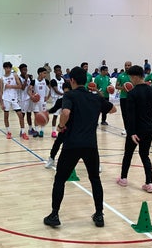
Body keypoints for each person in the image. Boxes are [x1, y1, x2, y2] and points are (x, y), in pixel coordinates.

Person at [43, 67, 116, 228]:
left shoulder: (69, 95)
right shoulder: (95, 98)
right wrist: (98, 94)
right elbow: (113, 109)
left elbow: (66, 112)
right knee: (95, 179)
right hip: (90, 145)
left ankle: (54, 215)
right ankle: (99, 215)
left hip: (72, 144)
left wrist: (60, 126)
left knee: (60, 179)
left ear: (72, 81)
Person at [116, 65, 152, 192]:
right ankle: (149, 183)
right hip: (149, 129)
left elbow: (130, 116)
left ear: (135, 77)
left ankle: (123, 179)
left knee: (128, 154)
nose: (130, 80)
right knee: (145, 155)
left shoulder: (132, 93)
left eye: (131, 77)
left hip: (136, 130)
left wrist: (131, 132)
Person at [44, 82, 72, 169]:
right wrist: (47, 112)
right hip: (65, 125)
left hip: (76, 126)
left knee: (84, 146)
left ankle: (94, 164)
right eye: (65, 92)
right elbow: (54, 109)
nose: (66, 94)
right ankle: (51, 159)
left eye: (68, 92)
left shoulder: (77, 100)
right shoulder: (61, 100)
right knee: (57, 142)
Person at [0, 62, 28, 140]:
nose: (8, 69)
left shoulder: (14, 75)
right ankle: (8, 132)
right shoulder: (2, 79)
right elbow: (0, 92)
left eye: (9, 68)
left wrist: (10, 86)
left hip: (15, 99)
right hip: (6, 99)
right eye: (6, 68)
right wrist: (1, 103)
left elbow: (20, 86)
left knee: (20, 116)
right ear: (4, 68)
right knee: (6, 116)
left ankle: (23, 132)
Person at [29, 67, 50, 138]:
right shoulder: (34, 81)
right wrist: (31, 96)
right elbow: (29, 90)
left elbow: (50, 89)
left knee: (43, 116)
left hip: (43, 102)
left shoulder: (46, 81)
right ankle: (36, 131)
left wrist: (48, 97)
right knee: (36, 116)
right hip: (36, 101)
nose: (45, 75)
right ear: (40, 73)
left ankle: (42, 131)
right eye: (44, 73)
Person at [116, 61, 132, 136]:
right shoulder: (120, 76)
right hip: (123, 98)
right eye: (126, 65)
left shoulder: (134, 75)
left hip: (132, 97)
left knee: (132, 114)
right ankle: (126, 129)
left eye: (129, 65)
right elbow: (116, 86)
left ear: (131, 66)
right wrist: (124, 88)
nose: (127, 67)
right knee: (125, 114)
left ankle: (133, 129)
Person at [49, 65, 65, 138]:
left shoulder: (63, 79)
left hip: (63, 99)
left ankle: (62, 129)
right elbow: (56, 90)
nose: (59, 72)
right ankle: (53, 131)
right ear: (54, 71)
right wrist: (64, 93)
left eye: (60, 70)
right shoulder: (53, 80)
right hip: (56, 100)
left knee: (63, 115)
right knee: (55, 116)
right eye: (57, 70)